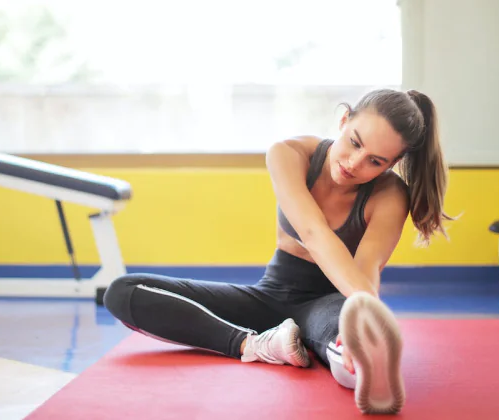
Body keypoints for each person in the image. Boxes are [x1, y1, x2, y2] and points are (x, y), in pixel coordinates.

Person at [103, 88, 452, 415]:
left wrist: (362, 320)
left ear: (392, 163)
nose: (354, 163)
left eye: (374, 161)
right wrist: (365, 307)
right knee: (123, 292)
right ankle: (255, 345)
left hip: (331, 302)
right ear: (344, 120)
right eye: (354, 143)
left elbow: (367, 267)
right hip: (269, 295)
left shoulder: (390, 194)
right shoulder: (289, 153)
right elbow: (313, 232)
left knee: (349, 348)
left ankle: (364, 363)